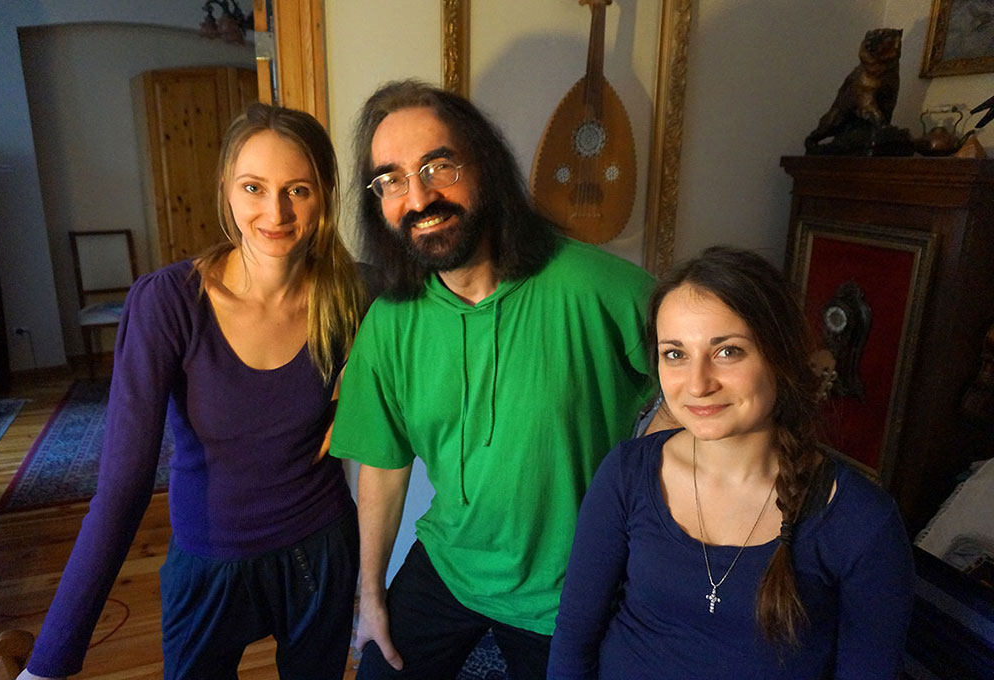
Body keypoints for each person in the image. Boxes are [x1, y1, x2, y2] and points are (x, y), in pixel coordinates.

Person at [19, 103, 369, 680]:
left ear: (324, 195)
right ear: (227, 190)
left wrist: (360, 401)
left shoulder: (355, 292)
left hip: (321, 549)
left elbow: (429, 300)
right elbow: (122, 486)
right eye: (254, 187)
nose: (276, 212)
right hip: (209, 561)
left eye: (298, 190)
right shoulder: (169, 302)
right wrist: (48, 662)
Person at [328, 79, 658, 680]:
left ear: (483, 166)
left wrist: (662, 445)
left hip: (567, 590)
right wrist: (370, 595)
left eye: (438, 166)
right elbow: (382, 463)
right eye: (392, 180)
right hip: (450, 564)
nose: (419, 196)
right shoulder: (391, 322)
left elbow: (703, 370)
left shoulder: (595, 286)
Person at [548, 246, 916, 679]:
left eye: (727, 352)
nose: (697, 384)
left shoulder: (863, 522)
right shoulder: (627, 473)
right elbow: (574, 639)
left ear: (780, 355)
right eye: (675, 354)